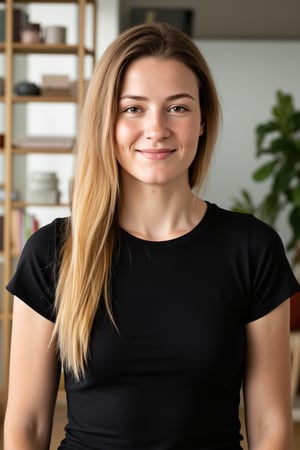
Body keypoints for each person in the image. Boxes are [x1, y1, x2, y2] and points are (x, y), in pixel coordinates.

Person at [3, 22, 299, 450]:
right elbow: (26, 426)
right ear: (108, 121)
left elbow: (271, 425)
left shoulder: (252, 249)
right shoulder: (52, 251)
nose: (156, 128)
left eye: (177, 107)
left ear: (202, 120)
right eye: (133, 108)